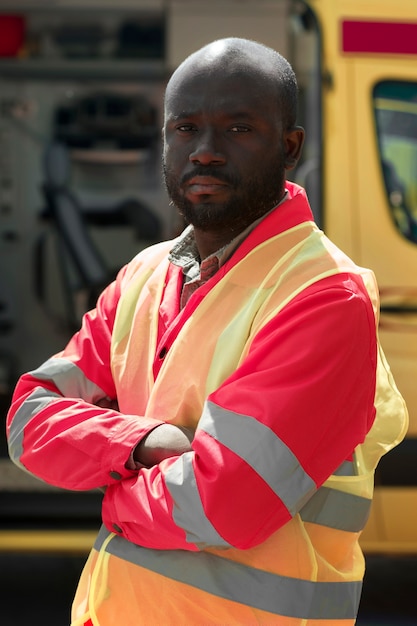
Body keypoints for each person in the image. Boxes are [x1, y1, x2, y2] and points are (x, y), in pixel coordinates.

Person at [6, 37, 408, 625]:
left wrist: (107, 485)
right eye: (185, 129)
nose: (206, 152)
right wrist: (142, 445)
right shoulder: (144, 275)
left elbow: (224, 505)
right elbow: (27, 420)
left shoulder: (325, 295)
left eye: (238, 129)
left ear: (290, 147)